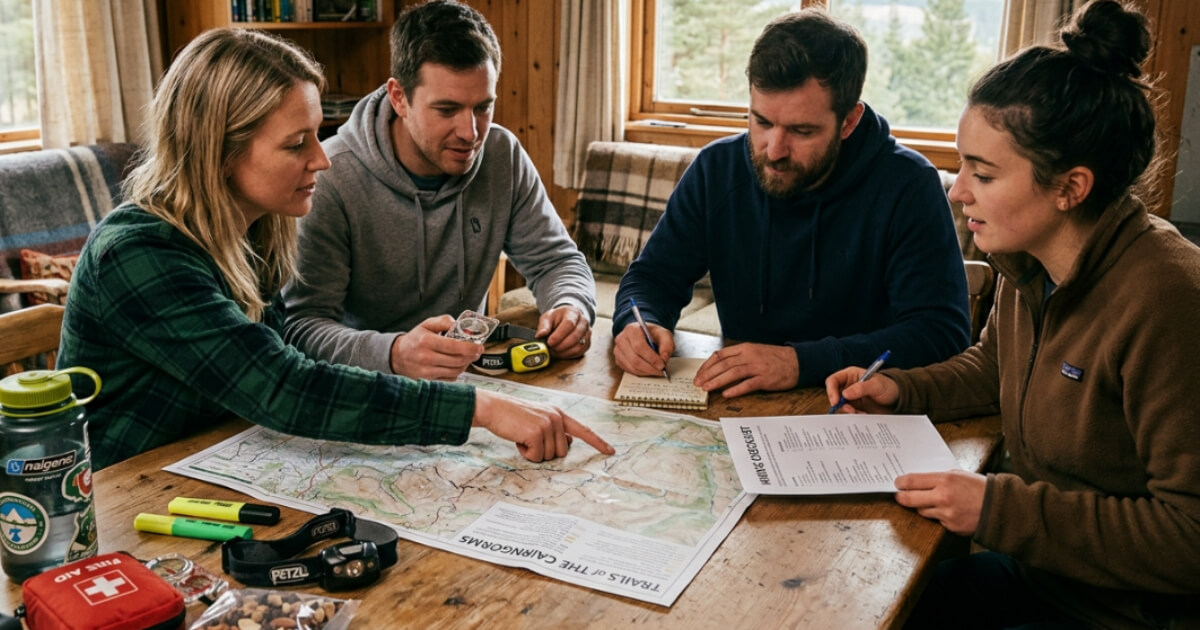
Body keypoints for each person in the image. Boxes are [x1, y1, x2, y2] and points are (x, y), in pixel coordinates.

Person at [56, 28, 614, 471]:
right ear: (218, 151)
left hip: (215, 462)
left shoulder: (255, 230)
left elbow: (287, 367)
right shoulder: (137, 255)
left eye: (316, 134)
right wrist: (481, 409)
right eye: (297, 144)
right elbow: (283, 385)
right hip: (117, 497)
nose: (322, 159)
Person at [825, 2, 1200, 627]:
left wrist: (999, 509)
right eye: (962, 162)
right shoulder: (1030, 262)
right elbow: (994, 369)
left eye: (985, 173)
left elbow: (1190, 534)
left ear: (1069, 187)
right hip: (1043, 579)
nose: (957, 189)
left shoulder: (1169, 299)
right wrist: (901, 389)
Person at [612, 9, 970, 398]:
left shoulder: (908, 185)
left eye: (802, 131)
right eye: (762, 122)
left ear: (849, 122)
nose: (774, 150)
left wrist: (801, 362)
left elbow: (941, 333)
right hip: (739, 406)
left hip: (856, 409)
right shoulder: (717, 169)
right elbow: (652, 278)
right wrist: (639, 323)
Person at [281, 0, 595, 382]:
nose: (470, 132)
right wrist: (395, 353)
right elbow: (301, 327)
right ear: (399, 97)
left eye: (483, 107)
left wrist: (571, 305)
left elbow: (556, 262)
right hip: (364, 386)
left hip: (465, 381)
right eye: (447, 110)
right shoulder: (330, 176)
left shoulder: (502, 153)